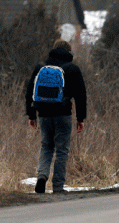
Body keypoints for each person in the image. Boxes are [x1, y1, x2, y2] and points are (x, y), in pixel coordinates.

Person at [26, 39, 87, 194]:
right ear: (69, 52)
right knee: (61, 151)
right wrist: (81, 119)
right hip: (63, 115)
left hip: (44, 115)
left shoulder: (41, 67)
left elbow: (29, 92)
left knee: (46, 147)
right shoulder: (72, 69)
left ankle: (41, 177)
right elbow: (81, 96)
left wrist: (31, 115)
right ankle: (58, 186)